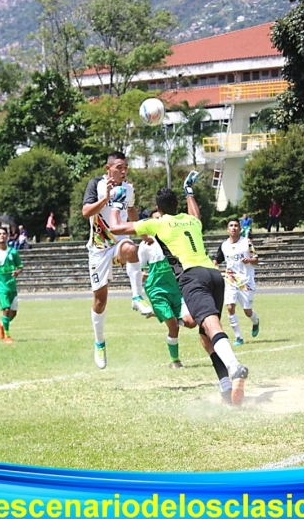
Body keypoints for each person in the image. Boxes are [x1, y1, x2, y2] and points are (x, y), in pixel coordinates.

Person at [108, 171, 250, 406]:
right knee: (206, 335)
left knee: (211, 325)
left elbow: (115, 228)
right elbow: (196, 213)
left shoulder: (159, 222)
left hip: (191, 277)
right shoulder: (191, 220)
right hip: (214, 275)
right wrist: (189, 192)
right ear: (177, 205)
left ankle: (234, 366)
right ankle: (226, 387)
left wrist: (116, 202)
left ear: (159, 208)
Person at [82, 151, 153, 370]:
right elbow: (86, 212)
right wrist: (106, 198)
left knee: (131, 248)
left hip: (119, 243)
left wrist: (143, 234)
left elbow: (131, 212)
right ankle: (100, 342)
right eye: (119, 167)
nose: (123, 171)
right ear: (108, 168)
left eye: (126, 167)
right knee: (100, 301)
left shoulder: (129, 188)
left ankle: (136, 297)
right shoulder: (96, 184)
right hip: (99, 249)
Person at [138, 210, 197, 369]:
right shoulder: (145, 244)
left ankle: (161, 313)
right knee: (173, 326)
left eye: (161, 218)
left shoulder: (173, 239)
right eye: (155, 219)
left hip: (174, 287)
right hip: (156, 288)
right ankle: (175, 361)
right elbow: (139, 267)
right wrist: (142, 273)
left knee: (191, 322)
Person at [213, 218, 260, 346]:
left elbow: (256, 259)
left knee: (247, 311)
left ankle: (255, 322)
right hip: (231, 280)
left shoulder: (246, 243)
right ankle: (238, 337)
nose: (233, 228)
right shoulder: (224, 245)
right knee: (230, 307)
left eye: (236, 226)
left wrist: (249, 260)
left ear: (240, 229)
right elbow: (216, 260)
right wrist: (215, 268)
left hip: (246, 281)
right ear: (228, 229)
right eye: (231, 226)